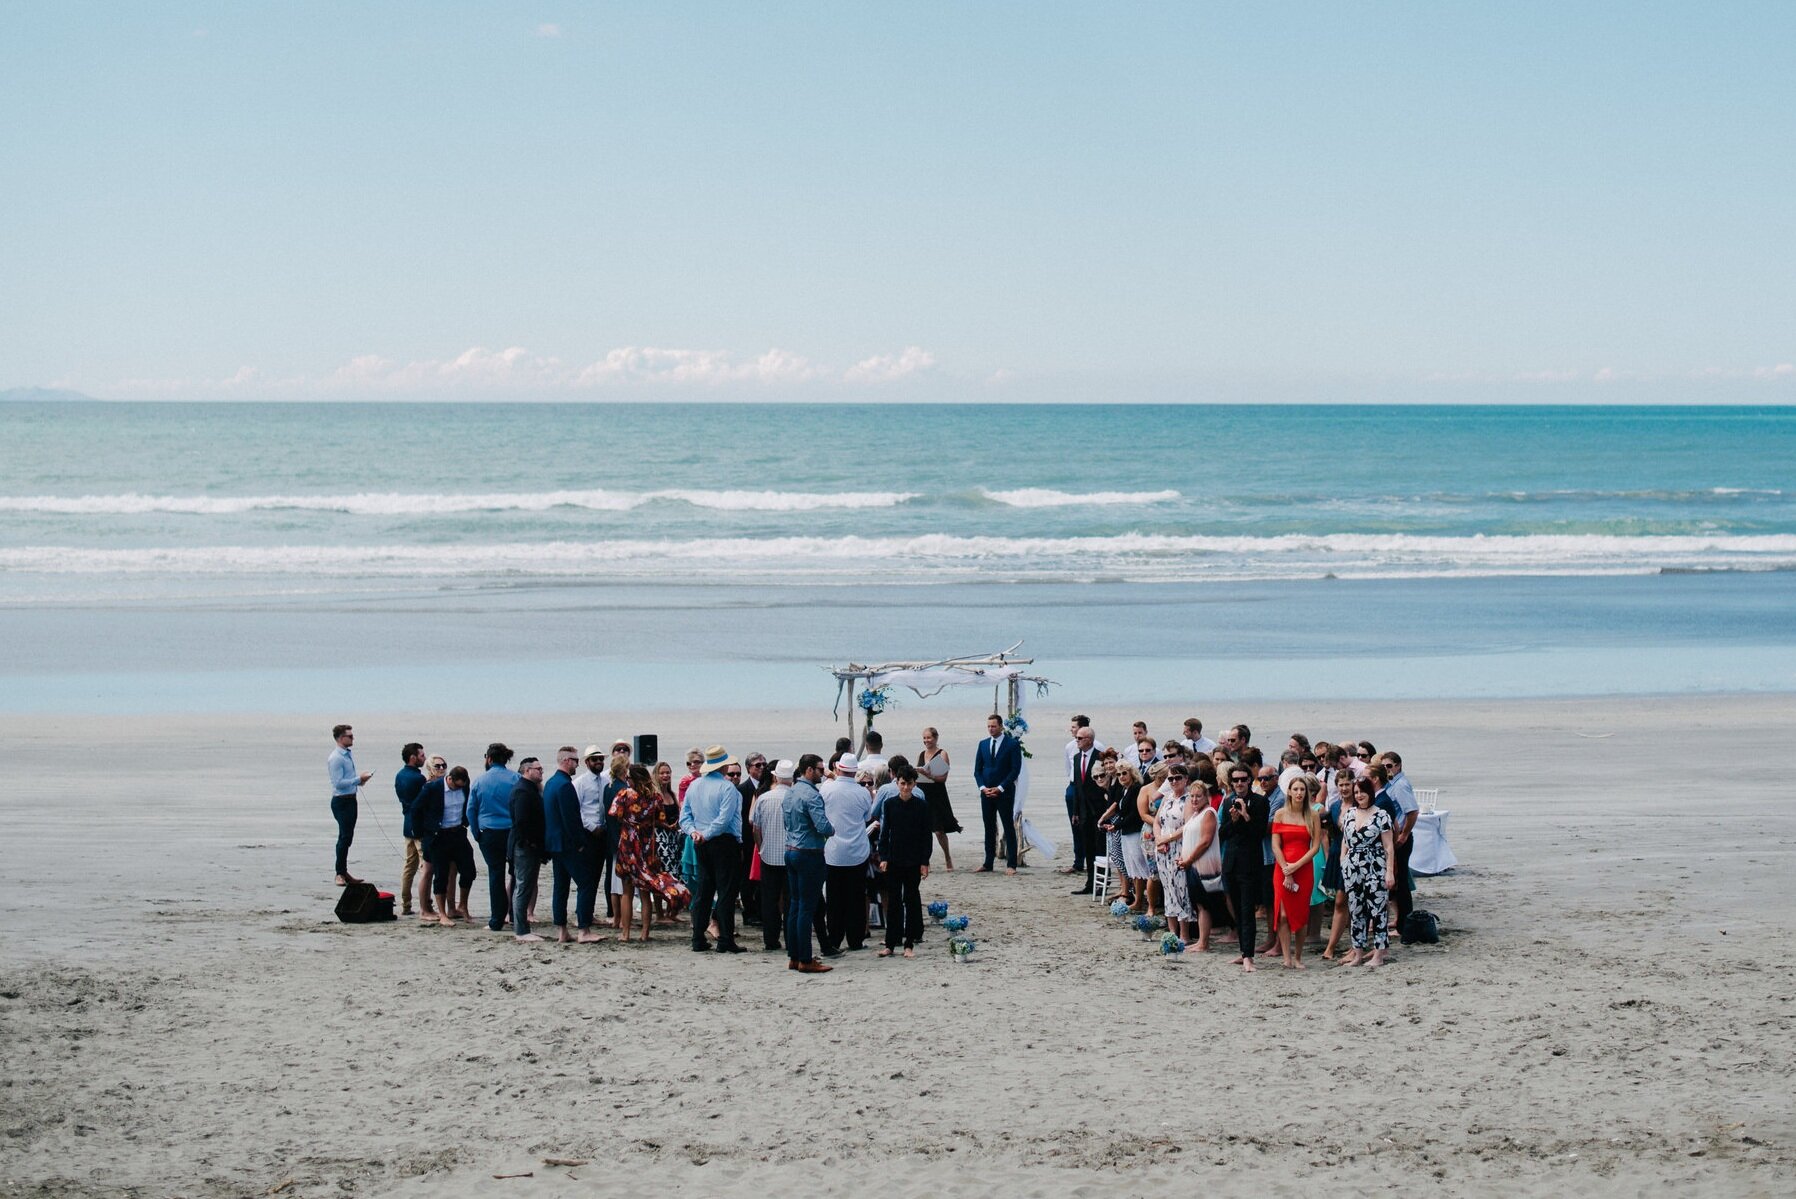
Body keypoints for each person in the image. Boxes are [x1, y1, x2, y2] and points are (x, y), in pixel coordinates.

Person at [609, 763, 691, 943]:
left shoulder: (624, 795)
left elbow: (614, 813)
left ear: (632, 779)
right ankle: (645, 934)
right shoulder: (655, 797)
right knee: (646, 892)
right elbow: (660, 820)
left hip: (628, 845)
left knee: (627, 893)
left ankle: (626, 934)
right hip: (647, 846)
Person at [679, 745, 747, 953]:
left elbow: (685, 816)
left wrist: (694, 833)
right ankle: (725, 939)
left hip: (701, 841)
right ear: (724, 766)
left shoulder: (695, 785)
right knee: (726, 891)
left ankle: (698, 937)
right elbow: (724, 820)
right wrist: (704, 834)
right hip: (723, 842)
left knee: (704, 890)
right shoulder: (727, 788)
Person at [543, 746, 602, 944]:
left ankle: (562, 930)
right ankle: (584, 929)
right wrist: (580, 843)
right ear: (567, 761)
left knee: (561, 886)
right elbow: (571, 819)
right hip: (568, 844)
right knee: (586, 882)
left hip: (555, 844)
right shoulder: (565, 785)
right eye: (576, 761)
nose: (577, 764)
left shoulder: (551, 783)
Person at [782, 754, 835, 974]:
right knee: (806, 907)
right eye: (820, 770)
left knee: (795, 905)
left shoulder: (790, 792)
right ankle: (805, 958)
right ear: (809, 770)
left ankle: (794, 956)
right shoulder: (811, 795)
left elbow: (786, 822)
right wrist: (832, 830)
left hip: (791, 849)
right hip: (809, 852)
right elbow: (823, 826)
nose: (823, 774)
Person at [875, 762, 932, 957]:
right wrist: (883, 857)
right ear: (896, 783)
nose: (906, 787)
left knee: (912, 900)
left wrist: (925, 862)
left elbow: (926, 835)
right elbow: (885, 833)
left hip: (914, 860)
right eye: (902, 783)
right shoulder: (889, 804)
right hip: (894, 859)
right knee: (894, 902)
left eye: (909, 783)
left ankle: (909, 944)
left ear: (915, 784)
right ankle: (891, 943)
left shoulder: (921, 805)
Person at [820, 753, 873, 954]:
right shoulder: (862, 793)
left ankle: (834, 937)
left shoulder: (827, 789)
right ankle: (855, 939)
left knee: (834, 898)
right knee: (856, 898)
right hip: (857, 850)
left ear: (838, 768)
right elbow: (867, 816)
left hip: (833, 850)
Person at [1341, 775, 1396, 968]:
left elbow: (1389, 847)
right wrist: (1343, 862)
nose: (1359, 795)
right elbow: (1345, 841)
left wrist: (1389, 872)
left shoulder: (1381, 815)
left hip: (1375, 865)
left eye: (1362, 791)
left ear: (1369, 792)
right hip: (1352, 867)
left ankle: (1379, 954)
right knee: (1355, 910)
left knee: (1378, 909)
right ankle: (1357, 953)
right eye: (1356, 792)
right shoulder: (1349, 814)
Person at [1218, 763, 1269, 972]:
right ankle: (1243, 952)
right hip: (1231, 862)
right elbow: (1223, 833)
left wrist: (1246, 816)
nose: (1239, 783)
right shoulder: (1228, 801)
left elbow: (1258, 833)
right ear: (1231, 782)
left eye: (1243, 779)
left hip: (1250, 863)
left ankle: (1249, 956)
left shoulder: (1260, 802)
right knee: (1237, 911)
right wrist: (1233, 819)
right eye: (1236, 780)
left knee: (1248, 910)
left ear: (1249, 780)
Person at [1269, 774, 1323, 970]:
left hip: (1304, 866)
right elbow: (1275, 845)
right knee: (1283, 915)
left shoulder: (1313, 815)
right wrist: (1286, 869)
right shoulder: (1280, 814)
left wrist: (1296, 866)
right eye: (1296, 789)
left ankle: (1298, 956)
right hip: (1282, 867)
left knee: (1300, 914)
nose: (1299, 793)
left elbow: (1315, 847)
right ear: (1289, 792)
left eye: (1302, 789)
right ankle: (1286, 957)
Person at [467, 743, 521, 932]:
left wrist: (476, 833)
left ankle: (497, 919)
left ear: (489, 759)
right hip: (511, 831)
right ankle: (516, 915)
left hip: (489, 832)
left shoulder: (480, 781)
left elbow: (471, 810)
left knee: (495, 875)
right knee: (516, 874)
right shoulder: (515, 778)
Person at [412, 764, 475, 926]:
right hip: (438, 835)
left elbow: (468, 805)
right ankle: (442, 913)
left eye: (461, 786)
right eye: (456, 785)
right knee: (440, 873)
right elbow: (416, 809)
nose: (457, 789)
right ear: (450, 779)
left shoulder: (464, 787)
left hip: (458, 833)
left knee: (469, 871)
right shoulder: (433, 788)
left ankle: (463, 906)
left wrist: (466, 823)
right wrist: (420, 833)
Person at [1175, 777, 1224, 953]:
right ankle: (1202, 941)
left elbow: (1205, 842)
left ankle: (1204, 942)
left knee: (1204, 904)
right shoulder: (1196, 814)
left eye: (1198, 796)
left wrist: (1188, 860)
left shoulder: (1209, 813)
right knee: (1199, 904)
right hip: (1191, 864)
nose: (1195, 800)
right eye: (1192, 796)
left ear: (1206, 797)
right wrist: (1183, 858)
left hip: (1204, 866)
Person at [749, 760, 793, 952]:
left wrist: (761, 847)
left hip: (769, 854)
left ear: (775, 776)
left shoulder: (764, 798)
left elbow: (755, 827)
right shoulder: (794, 798)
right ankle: (791, 938)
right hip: (791, 854)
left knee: (770, 900)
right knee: (790, 900)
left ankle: (771, 939)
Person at [508, 757, 550, 942]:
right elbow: (522, 822)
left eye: (541, 768)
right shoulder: (523, 791)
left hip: (529, 845)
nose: (541, 771)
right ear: (526, 771)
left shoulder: (530, 789)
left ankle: (523, 926)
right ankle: (521, 930)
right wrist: (532, 843)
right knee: (523, 886)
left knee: (525, 884)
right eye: (538, 769)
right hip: (524, 846)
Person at [1151, 767, 1196, 939]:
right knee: (1168, 888)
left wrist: (1167, 838)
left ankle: (1184, 934)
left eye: (1177, 778)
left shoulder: (1188, 800)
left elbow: (1188, 825)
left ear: (1185, 779)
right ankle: (1171, 933)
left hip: (1179, 847)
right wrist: (1158, 839)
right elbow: (1156, 821)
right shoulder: (1167, 797)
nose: (1174, 782)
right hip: (1163, 849)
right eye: (1170, 779)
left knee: (1180, 889)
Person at [974, 714, 1022, 874]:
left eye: (993, 726)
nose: (991, 729)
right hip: (986, 792)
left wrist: (1000, 787)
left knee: (1008, 826)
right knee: (988, 827)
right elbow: (977, 770)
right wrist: (982, 787)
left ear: (1001, 726)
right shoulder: (983, 744)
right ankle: (988, 862)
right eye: (988, 726)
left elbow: (1015, 770)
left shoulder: (1012, 744)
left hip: (1004, 792)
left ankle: (1012, 864)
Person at [326, 724, 373, 886]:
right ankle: (339, 873)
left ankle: (344, 871)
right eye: (350, 736)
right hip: (341, 801)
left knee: (348, 837)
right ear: (341, 738)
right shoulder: (336, 757)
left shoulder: (346, 754)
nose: (353, 739)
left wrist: (360, 782)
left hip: (351, 798)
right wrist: (358, 779)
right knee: (344, 836)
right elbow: (338, 783)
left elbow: (347, 778)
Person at [1377, 751, 1420, 926]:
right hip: (1396, 836)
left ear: (1398, 766)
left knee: (1401, 881)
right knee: (1398, 879)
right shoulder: (1391, 784)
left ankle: (1404, 923)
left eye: (1389, 766)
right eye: (1384, 767)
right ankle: (1401, 920)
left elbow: (1412, 811)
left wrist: (1404, 834)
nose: (1387, 770)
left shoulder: (1400, 785)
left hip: (1401, 837)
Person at [1068, 727, 1107, 894]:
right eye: (1076, 738)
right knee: (1088, 847)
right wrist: (1075, 811)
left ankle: (1101, 884)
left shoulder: (1100, 756)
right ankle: (1090, 883)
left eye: (1080, 738)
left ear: (1089, 740)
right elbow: (1077, 786)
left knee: (1101, 848)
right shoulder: (1077, 758)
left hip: (1099, 809)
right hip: (1083, 811)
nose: (1076, 741)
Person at [1061, 716, 1101, 873]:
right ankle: (1078, 861)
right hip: (1075, 788)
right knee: (1077, 825)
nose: (1072, 731)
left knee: (1095, 831)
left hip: (1093, 790)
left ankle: (1096, 866)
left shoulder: (1097, 747)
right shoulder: (1071, 748)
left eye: (1074, 728)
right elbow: (1069, 769)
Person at [916, 727, 959, 870]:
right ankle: (924, 861)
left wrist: (930, 776)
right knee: (923, 830)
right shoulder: (922, 754)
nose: (926, 741)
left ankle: (947, 857)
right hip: (923, 792)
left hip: (937, 794)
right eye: (924, 738)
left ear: (935, 738)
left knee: (939, 831)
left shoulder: (942, 754)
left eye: (928, 738)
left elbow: (943, 778)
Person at [394, 742, 427, 916]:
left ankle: (406, 904)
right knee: (425, 866)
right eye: (422, 755)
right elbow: (422, 802)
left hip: (407, 823)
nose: (424, 758)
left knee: (409, 865)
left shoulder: (399, 775)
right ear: (413, 757)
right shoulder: (418, 778)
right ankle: (425, 904)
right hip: (418, 826)